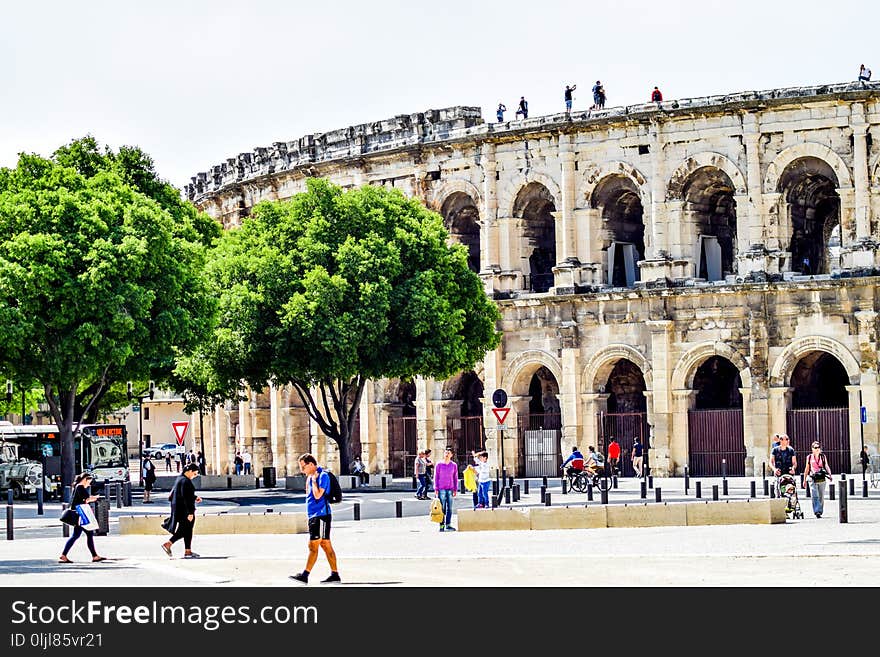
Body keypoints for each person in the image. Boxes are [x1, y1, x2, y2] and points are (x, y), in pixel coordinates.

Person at [289, 453, 341, 584]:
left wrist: (312, 481)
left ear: (311, 464)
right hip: (314, 515)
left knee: (313, 545)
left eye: (303, 467)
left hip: (321, 515)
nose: (302, 470)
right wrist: (310, 479)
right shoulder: (311, 476)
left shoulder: (322, 476)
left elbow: (318, 496)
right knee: (325, 544)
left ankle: (305, 575)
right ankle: (335, 574)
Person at [59, 472, 106, 563]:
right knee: (87, 534)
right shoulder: (80, 487)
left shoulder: (78, 487)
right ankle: (94, 556)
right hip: (80, 516)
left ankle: (64, 555)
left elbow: (83, 500)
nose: (89, 484)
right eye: (89, 481)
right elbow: (87, 499)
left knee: (77, 535)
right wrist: (96, 498)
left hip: (78, 516)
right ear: (85, 479)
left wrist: (92, 498)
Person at [161, 463, 202, 559]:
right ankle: (169, 544)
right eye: (194, 474)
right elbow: (186, 498)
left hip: (179, 509)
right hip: (185, 510)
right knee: (185, 530)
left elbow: (182, 494)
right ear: (189, 471)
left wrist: (195, 497)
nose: (194, 476)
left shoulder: (180, 479)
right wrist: (190, 512)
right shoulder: (185, 481)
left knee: (186, 529)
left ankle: (188, 551)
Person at [803, 441, 832, 518]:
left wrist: (830, 474)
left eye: (818, 447)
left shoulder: (823, 456)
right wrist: (804, 480)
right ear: (812, 449)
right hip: (812, 478)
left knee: (821, 495)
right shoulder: (809, 457)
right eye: (815, 447)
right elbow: (807, 468)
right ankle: (817, 511)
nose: (817, 449)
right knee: (814, 495)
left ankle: (820, 510)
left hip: (821, 478)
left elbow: (826, 465)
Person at [434, 447, 459, 532]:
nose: (447, 454)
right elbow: (436, 477)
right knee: (442, 508)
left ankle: (448, 525)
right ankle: (441, 525)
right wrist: (436, 488)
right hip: (441, 489)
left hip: (450, 488)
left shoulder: (454, 465)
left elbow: (455, 477)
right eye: (446, 452)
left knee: (450, 508)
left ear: (451, 455)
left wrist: (455, 489)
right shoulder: (439, 464)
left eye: (449, 453)